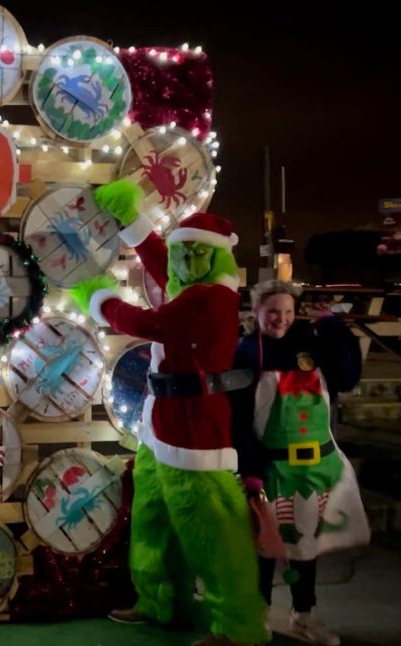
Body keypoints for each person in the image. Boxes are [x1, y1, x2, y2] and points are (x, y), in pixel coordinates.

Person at [70, 180, 269, 646]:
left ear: (220, 257)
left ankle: (236, 625)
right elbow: (166, 265)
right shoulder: (194, 280)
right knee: (153, 514)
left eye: (198, 254)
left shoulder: (211, 299)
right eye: (187, 252)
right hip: (161, 419)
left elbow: (146, 322)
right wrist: (133, 220)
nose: (187, 262)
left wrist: (100, 301)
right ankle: (159, 600)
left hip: (194, 426)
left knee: (210, 530)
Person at [231, 280, 370, 645]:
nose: (281, 319)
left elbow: (347, 377)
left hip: (313, 470)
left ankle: (304, 615)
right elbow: (238, 420)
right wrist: (251, 471)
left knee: (306, 548)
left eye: (288, 313)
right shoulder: (244, 353)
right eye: (273, 312)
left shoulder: (309, 345)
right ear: (256, 312)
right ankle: (256, 616)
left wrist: (334, 327)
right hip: (269, 470)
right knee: (263, 547)